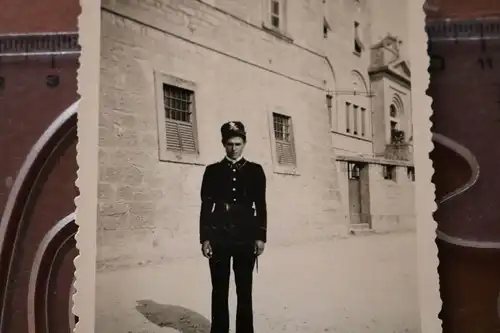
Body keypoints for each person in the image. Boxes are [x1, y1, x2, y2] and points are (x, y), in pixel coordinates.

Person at [199, 121, 267, 333]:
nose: (234, 148)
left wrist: (261, 237)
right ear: (223, 144)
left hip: (245, 238)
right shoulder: (212, 171)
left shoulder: (256, 171)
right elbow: (206, 207)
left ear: (244, 143)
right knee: (219, 289)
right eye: (229, 143)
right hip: (219, 236)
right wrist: (205, 238)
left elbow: (261, 205)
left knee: (244, 289)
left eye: (238, 143)